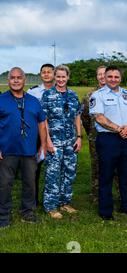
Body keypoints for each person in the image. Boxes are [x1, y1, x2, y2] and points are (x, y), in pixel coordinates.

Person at [89, 65, 127, 220]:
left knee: (126, 175)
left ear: (120, 78)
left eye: (116, 77)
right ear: (105, 77)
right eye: (110, 76)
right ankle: (105, 211)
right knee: (106, 176)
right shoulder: (98, 95)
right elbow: (99, 117)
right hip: (108, 139)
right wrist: (119, 128)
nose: (113, 79)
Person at [0, 67, 47, 228]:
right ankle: (3, 215)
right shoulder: (1, 99)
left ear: (24, 80)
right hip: (7, 150)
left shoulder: (34, 101)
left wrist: (44, 145)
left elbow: (42, 124)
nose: (15, 80)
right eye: (12, 77)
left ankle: (27, 212)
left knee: (29, 183)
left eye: (19, 77)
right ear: (8, 80)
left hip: (29, 150)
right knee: (5, 184)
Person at [41, 65, 82, 219]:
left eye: (63, 76)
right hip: (55, 142)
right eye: (58, 76)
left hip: (70, 141)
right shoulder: (47, 95)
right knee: (53, 173)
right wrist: (48, 141)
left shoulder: (73, 95)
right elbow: (43, 120)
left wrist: (79, 137)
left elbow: (77, 116)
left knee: (69, 172)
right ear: (54, 77)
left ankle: (65, 202)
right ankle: (51, 206)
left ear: (68, 77)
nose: (60, 79)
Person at [27, 63, 54, 206]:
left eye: (49, 72)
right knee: (35, 167)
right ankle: (33, 199)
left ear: (54, 74)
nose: (46, 74)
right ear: (40, 74)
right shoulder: (33, 92)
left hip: (56, 135)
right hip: (37, 135)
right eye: (43, 72)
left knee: (54, 168)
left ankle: (53, 199)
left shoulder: (60, 91)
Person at [81, 65, 107, 202]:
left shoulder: (116, 93)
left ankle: (117, 193)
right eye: (99, 74)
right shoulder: (89, 96)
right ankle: (96, 195)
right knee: (96, 166)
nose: (102, 77)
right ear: (97, 77)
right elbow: (84, 117)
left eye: (105, 74)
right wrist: (91, 131)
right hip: (95, 137)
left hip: (113, 137)